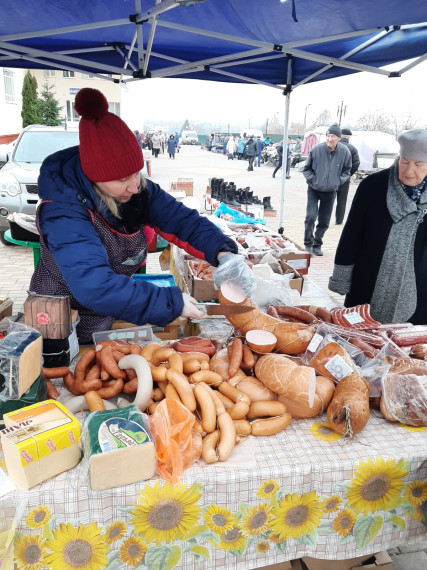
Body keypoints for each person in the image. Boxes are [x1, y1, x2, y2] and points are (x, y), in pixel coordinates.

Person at [29, 88, 256, 343]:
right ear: (94, 177)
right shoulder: (63, 210)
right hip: (60, 318)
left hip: (107, 309)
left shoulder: (137, 190)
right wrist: (170, 302)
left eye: (137, 172)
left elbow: (181, 221)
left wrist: (223, 253)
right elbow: (95, 286)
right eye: (122, 179)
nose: (134, 186)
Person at [329, 129, 427, 325]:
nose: (409, 170)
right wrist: (341, 279)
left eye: (418, 164)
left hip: (420, 291)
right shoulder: (373, 186)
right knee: (359, 340)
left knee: (406, 350)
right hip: (367, 283)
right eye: (405, 161)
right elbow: (351, 235)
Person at [302, 123, 351, 256]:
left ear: (338, 138)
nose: (330, 139)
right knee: (311, 216)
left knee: (324, 220)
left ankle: (317, 244)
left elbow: (347, 171)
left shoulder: (344, 152)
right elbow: (306, 169)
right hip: (314, 189)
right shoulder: (317, 149)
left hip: (330, 191)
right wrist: (313, 180)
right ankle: (308, 243)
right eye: (328, 136)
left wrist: (337, 182)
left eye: (333, 136)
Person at [335, 128, 360, 225]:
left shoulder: (334, 146)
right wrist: (348, 174)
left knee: (328, 199)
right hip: (345, 179)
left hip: (331, 178)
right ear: (348, 137)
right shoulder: (352, 148)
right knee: (342, 200)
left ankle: (325, 219)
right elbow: (356, 163)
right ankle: (339, 220)